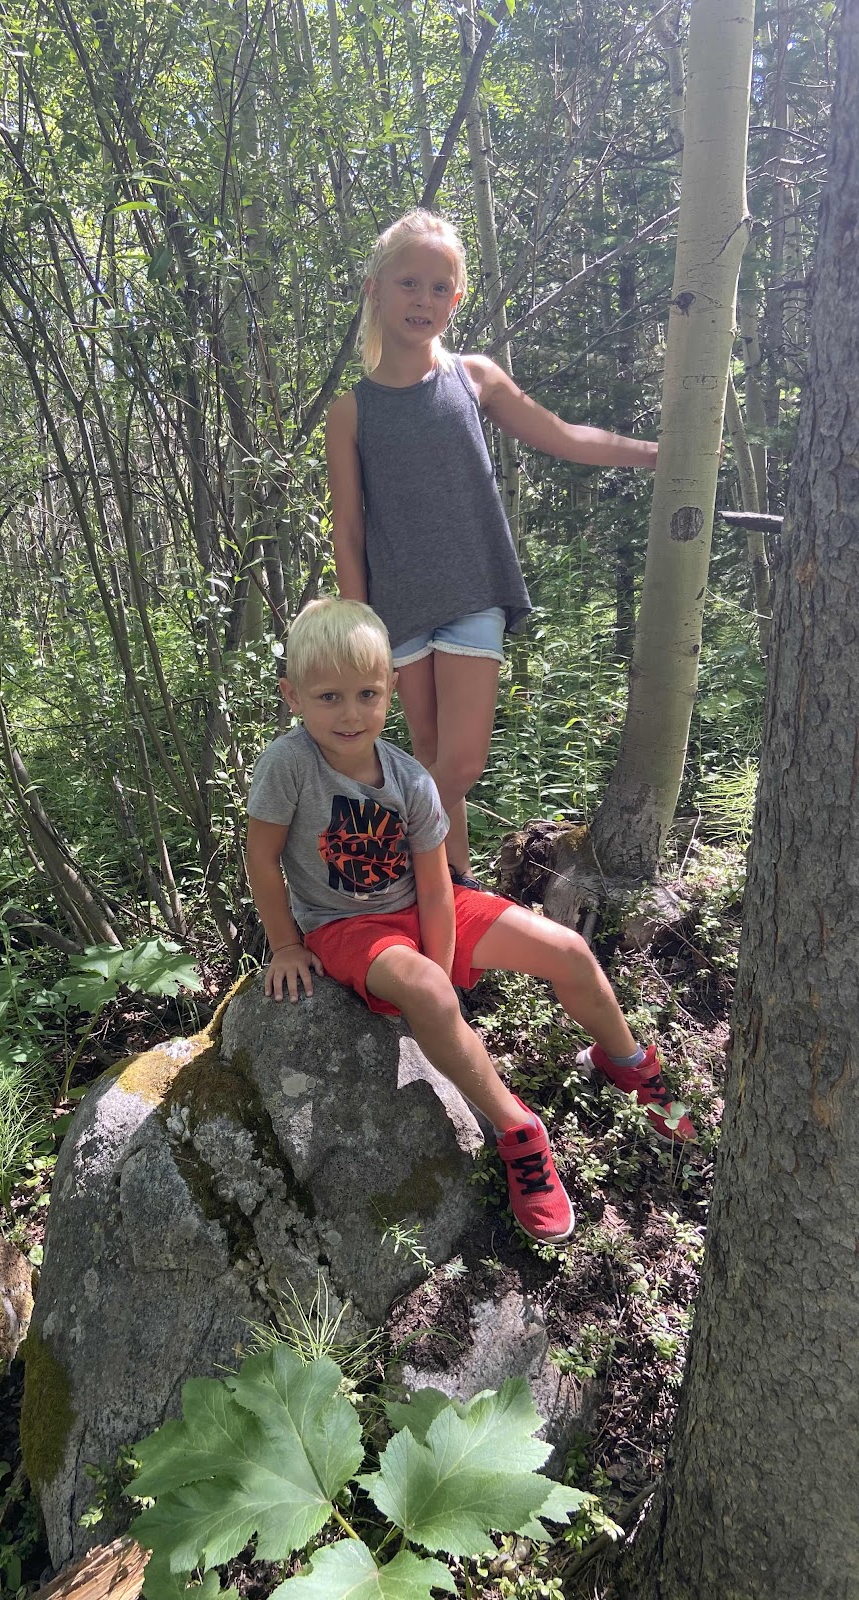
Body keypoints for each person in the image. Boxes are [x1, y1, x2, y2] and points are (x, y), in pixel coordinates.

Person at [246, 598, 693, 1244]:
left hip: (423, 904)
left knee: (567, 949)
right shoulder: (289, 766)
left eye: (367, 694)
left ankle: (628, 1063)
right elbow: (262, 859)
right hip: (346, 925)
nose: (350, 714)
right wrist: (285, 945)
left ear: (391, 686)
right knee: (426, 990)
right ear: (293, 696)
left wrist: (446, 965)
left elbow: (435, 885)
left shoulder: (410, 780)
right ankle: (519, 1131)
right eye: (329, 697)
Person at [325, 208, 658, 882]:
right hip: (398, 608)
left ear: (456, 298)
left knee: (461, 762)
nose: (423, 299)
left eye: (438, 287)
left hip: (473, 590)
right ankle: (451, 888)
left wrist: (657, 452)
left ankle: (371, 854)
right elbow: (349, 530)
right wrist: (361, 631)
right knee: (428, 752)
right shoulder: (351, 411)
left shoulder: (472, 377)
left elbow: (563, 436)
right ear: (375, 289)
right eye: (409, 283)